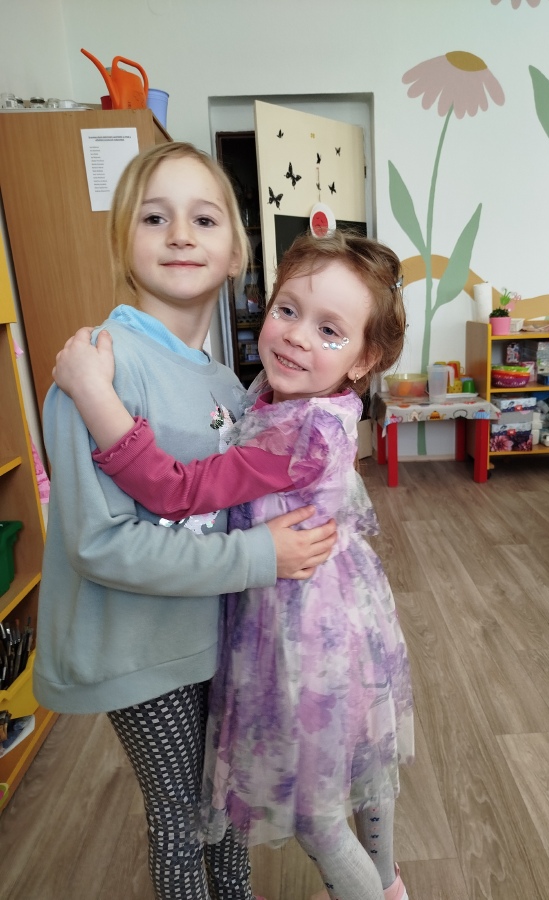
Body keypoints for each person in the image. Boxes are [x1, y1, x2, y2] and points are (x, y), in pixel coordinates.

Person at [52, 230, 415, 900]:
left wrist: (94, 395)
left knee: (316, 814)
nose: (296, 337)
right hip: (340, 619)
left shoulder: (298, 431)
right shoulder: (289, 397)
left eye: (328, 330)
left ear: (363, 359)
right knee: (360, 770)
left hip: (299, 636)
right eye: (288, 310)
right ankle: (388, 880)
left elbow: (177, 490)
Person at [34, 142, 338, 900]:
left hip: (210, 634)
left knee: (227, 800)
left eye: (203, 219)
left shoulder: (222, 381)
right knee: (182, 817)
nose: (179, 235)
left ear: (236, 253)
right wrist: (259, 557)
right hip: (139, 650)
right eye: (154, 218)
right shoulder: (97, 369)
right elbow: (99, 543)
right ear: (122, 243)